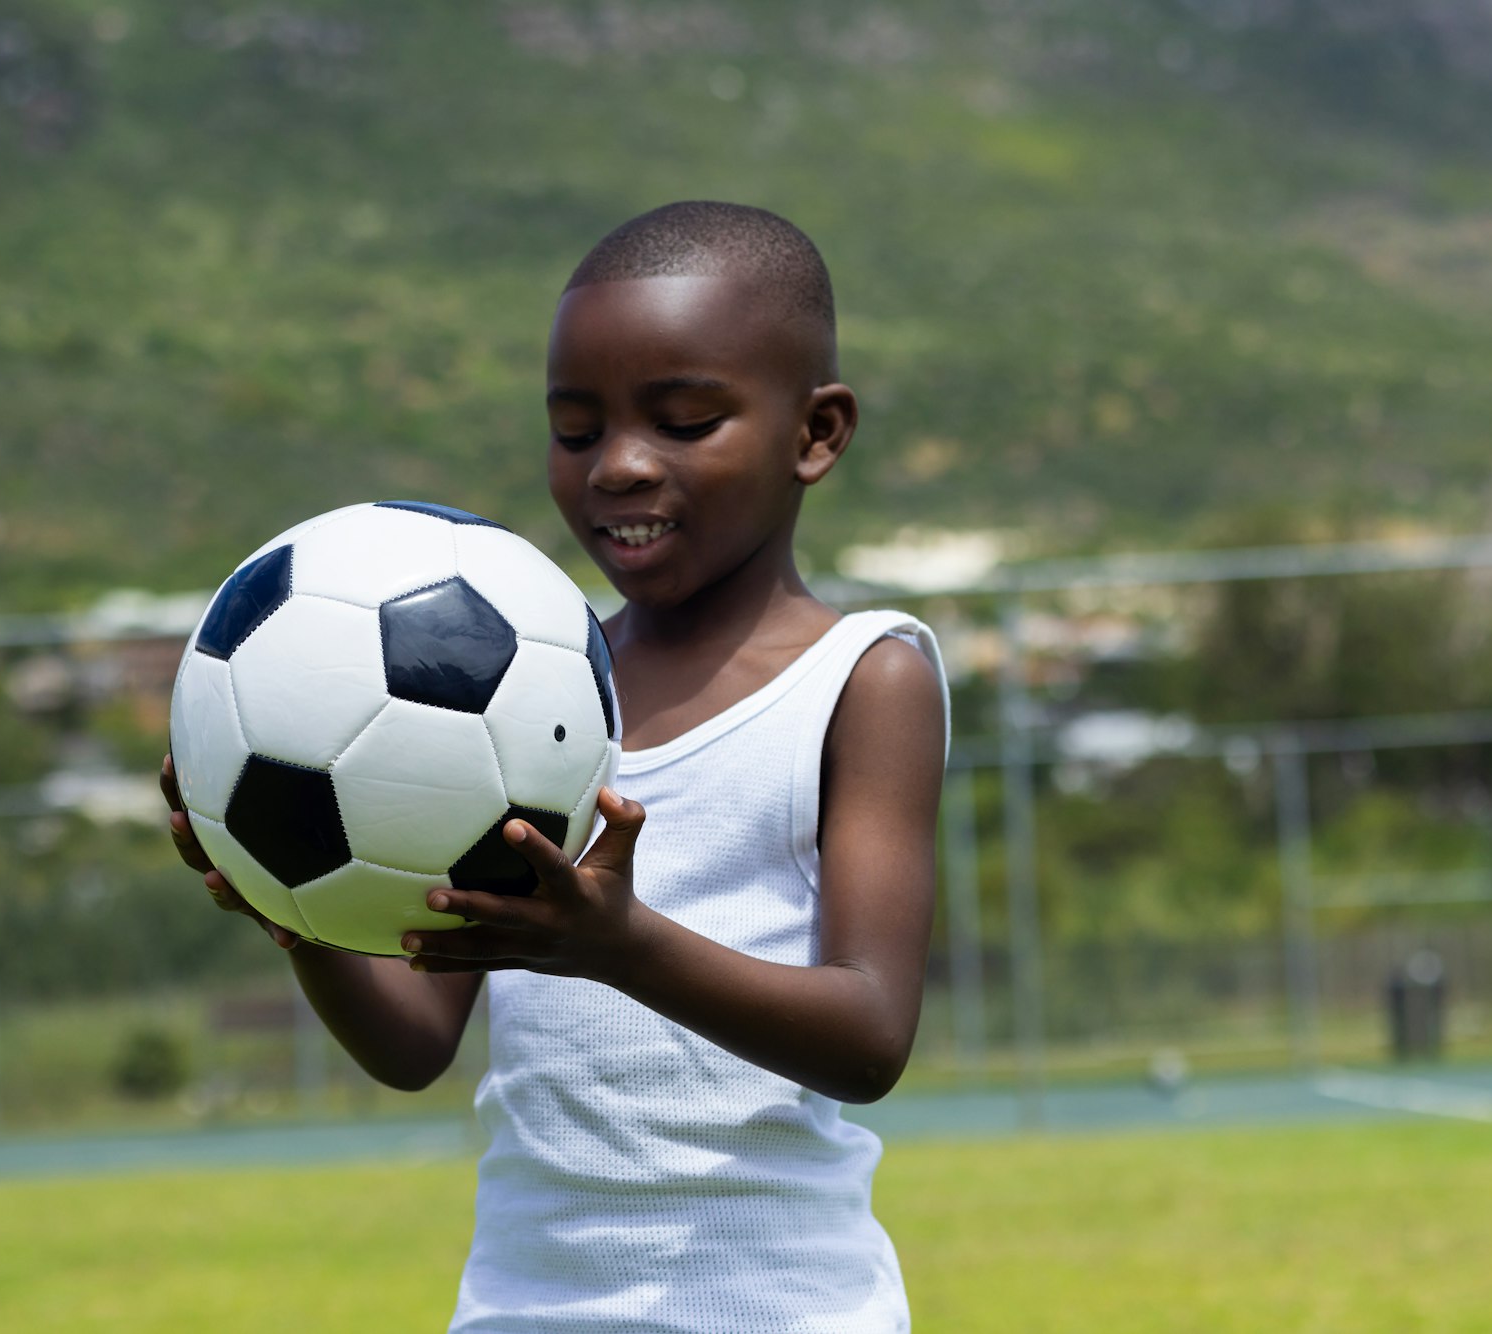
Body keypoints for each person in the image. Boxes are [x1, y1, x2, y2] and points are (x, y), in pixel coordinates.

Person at [161, 200, 949, 1332]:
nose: (619, 466)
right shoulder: (521, 691)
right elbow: (414, 1044)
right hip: (524, 1309)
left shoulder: (861, 676)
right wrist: (297, 910)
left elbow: (867, 1037)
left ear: (814, 432)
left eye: (681, 420)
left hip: (780, 1307)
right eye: (575, 432)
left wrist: (617, 945)